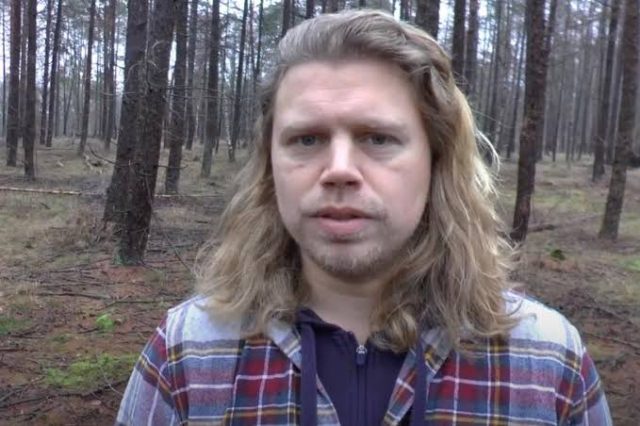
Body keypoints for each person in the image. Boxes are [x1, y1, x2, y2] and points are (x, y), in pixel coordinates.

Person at [116, 10, 612, 426]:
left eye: (377, 138)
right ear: (270, 165)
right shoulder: (190, 355)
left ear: (436, 160)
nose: (339, 170)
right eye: (306, 139)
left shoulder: (545, 365)